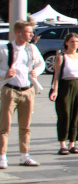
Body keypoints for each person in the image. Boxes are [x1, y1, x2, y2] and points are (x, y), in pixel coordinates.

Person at [0, 19, 44, 168]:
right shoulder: (5, 49)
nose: (32, 34)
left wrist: (36, 72)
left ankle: (24, 156)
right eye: (29, 32)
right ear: (19, 32)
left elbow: (41, 63)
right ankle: (2, 157)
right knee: (4, 126)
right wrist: (4, 73)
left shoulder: (31, 48)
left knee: (25, 126)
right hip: (10, 90)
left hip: (27, 90)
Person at [49, 32, 78, 155]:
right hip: (65, 87)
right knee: (65, 114)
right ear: (67, 43)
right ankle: (62, 143)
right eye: (72, 41)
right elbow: (56, 76)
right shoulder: (61, 57)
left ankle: (73, 143)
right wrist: (55, 90)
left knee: (77, 115)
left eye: (77, 42)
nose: (75, 44)